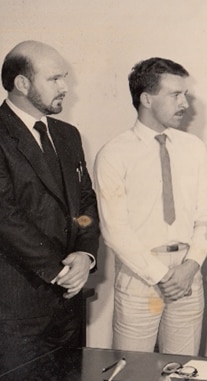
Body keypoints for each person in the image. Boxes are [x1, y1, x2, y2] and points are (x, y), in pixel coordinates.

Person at [94, 57, 207, 355]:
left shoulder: (195, 149)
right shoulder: (114, 154)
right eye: (175, 95)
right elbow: (114, 231)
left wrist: (190, 266)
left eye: (184, 94)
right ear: (146, 99)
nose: (185, 104)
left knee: (183, 371)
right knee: (132, 373)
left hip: (188, 275)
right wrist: (161, 276)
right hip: (140, 278)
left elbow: (206, 217)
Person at [0, 41, 99, 373]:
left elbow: (85, 203)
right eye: (54, 79)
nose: (65, 87)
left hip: (70, 303)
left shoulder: (68, 135)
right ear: (22, 84)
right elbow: (4, 216)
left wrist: (86, 256)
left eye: (64, 78)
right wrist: (60, 272)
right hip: (16, 308)